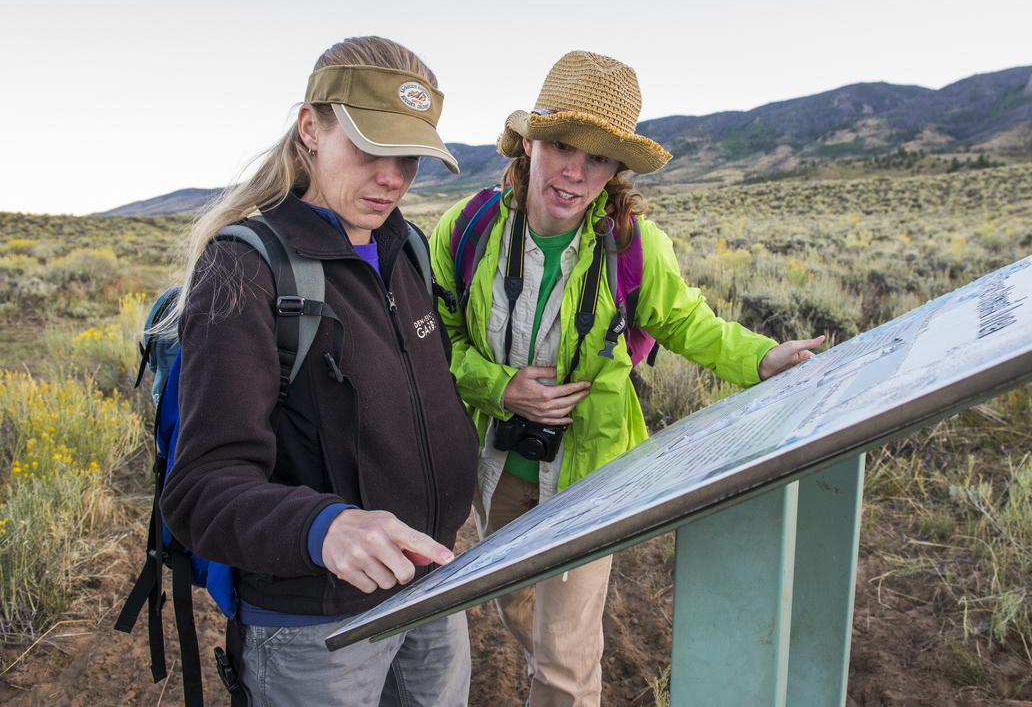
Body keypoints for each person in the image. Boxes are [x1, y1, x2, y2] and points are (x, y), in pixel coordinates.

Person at [429, 50, 824, 707]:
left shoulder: (633, 245)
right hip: (495, 466)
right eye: (562, 146)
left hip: (590, 475)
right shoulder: (467, 230)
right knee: (517, 608)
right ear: (530, 142)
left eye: (600, 158)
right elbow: (438, 340)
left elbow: (692, 324)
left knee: (562, 663)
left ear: (616, 169)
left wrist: (762, 358)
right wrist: (501, 386)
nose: (577, 173)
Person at [160, 36, 479, 707]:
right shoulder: (246, 270)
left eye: (409, 157)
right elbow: (198, 489)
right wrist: (324, 526)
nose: (393, 177)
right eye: (370, 148)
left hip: (433, 586)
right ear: (311, 127)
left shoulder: (405, 250)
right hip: (318, 630)